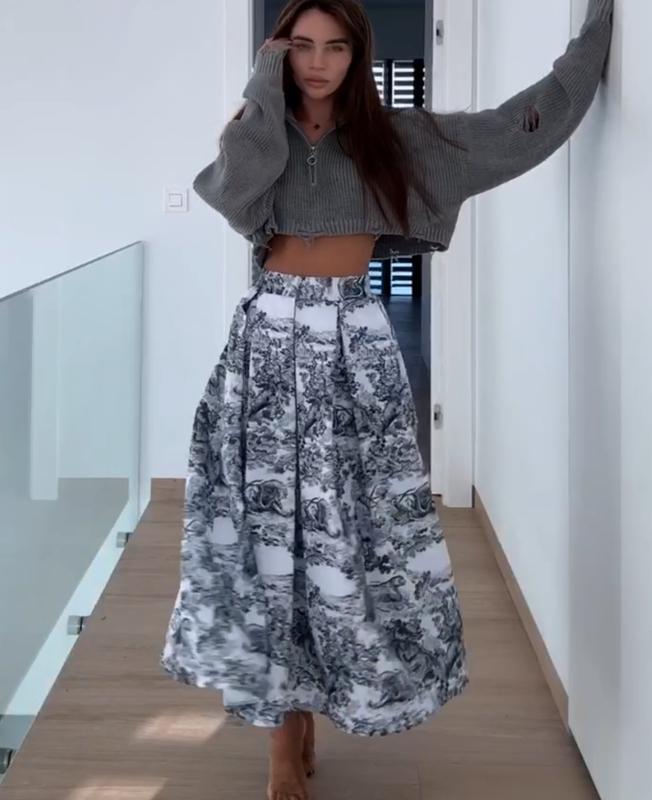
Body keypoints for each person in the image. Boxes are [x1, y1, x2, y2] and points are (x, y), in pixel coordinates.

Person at [160, 0, 613, 798]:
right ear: (278, 52)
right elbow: (235, 196)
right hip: (265, 345)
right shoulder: (258, 132)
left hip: (354, 344)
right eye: (300, 46)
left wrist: (592, 42)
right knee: (270, 538)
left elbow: (516, 130)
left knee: (347, 534)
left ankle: (318, 694)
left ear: (357, 55)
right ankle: (282, 731)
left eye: (335, 47)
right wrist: (265, 80)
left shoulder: (396, 137)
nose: (318, 62)